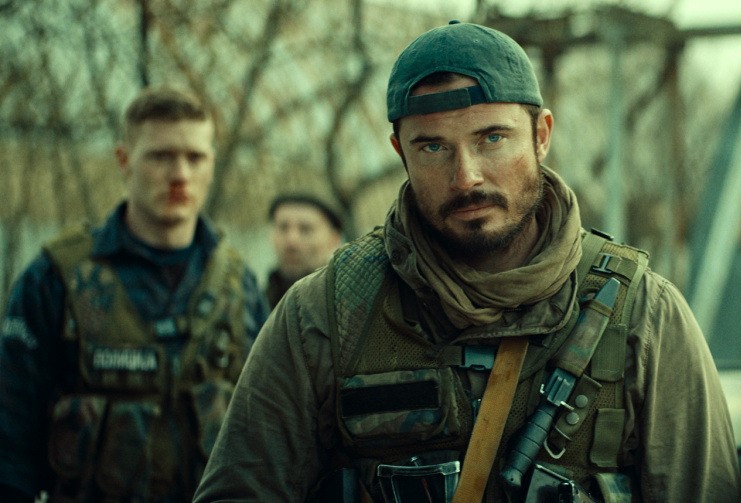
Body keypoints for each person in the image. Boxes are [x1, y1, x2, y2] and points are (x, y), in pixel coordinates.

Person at [193, 22, 741, 503]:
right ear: (400, 152)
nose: (466, 177)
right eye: (433, 147)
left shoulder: (644, 315)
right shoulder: (324, 316)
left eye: (492, 138)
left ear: (541, 136)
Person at [0, 86, 270, 502]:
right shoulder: (57, 279)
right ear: (124, 160)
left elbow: (268, 440)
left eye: (195, 157)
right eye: (160, 156)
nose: (180, 174)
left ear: (212, 163)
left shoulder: (239, 287)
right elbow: (10, 444)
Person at [265, 193, 343, 308]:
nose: (291, 240)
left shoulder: (346, 304)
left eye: (305, 229)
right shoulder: (255, 306)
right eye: (283, 228)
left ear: (334, 240)